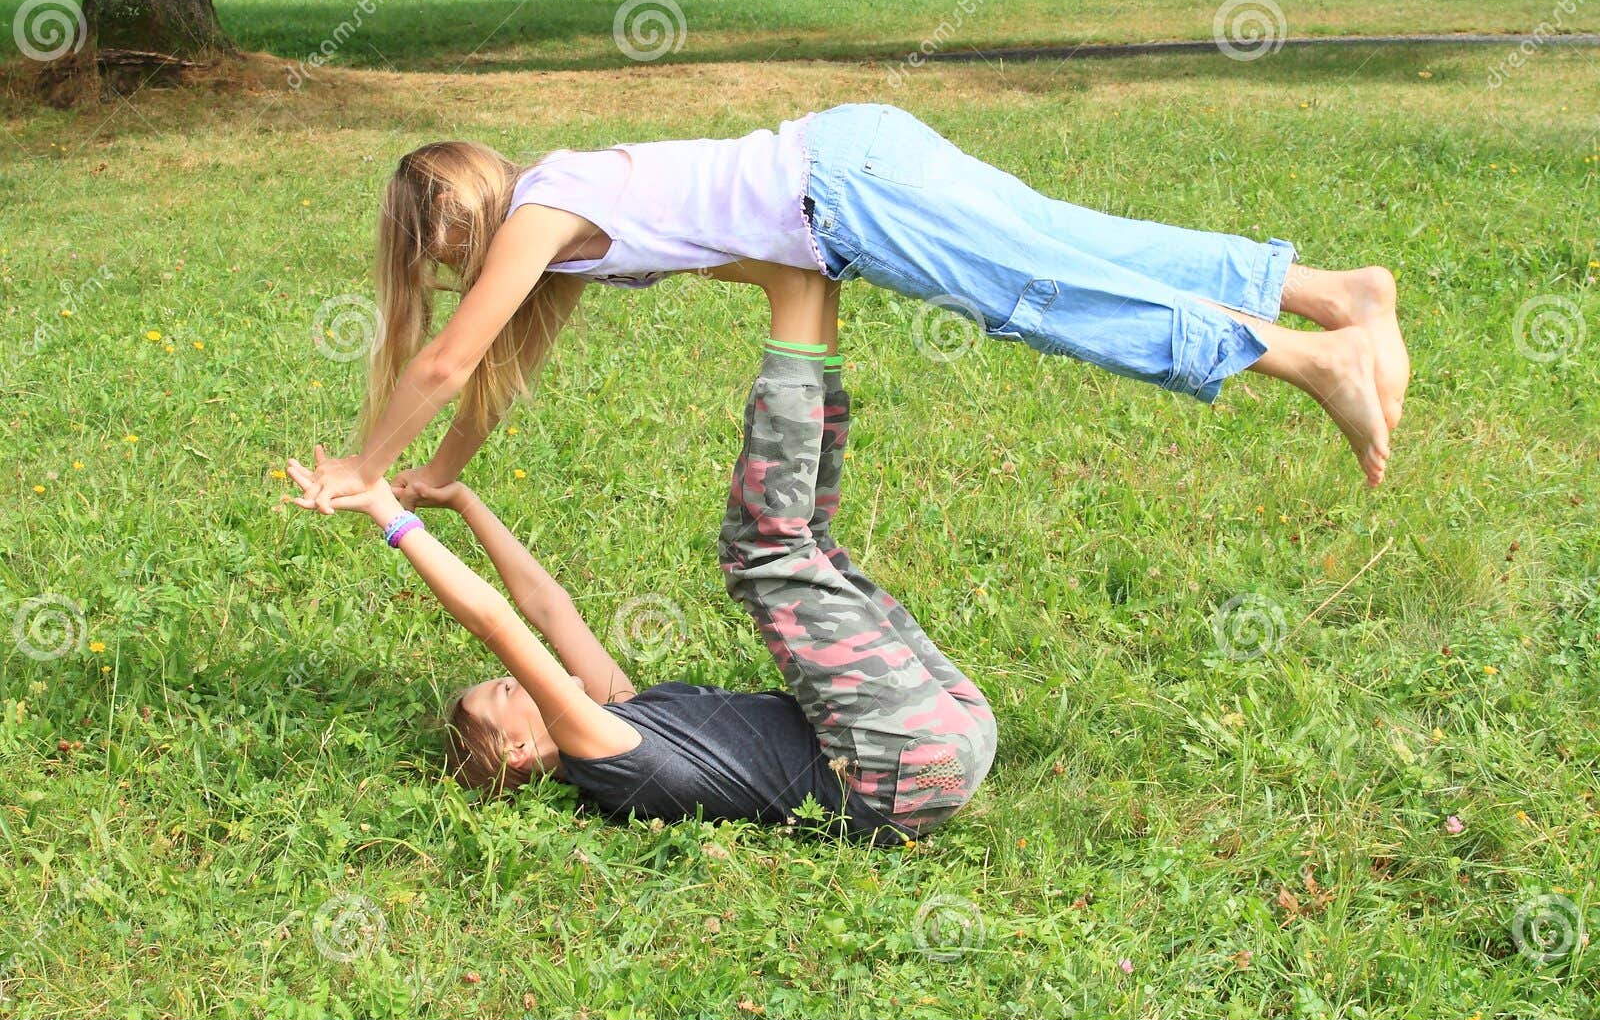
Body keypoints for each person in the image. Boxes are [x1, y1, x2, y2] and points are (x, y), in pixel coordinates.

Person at [295, 103, 1407, 518]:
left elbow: (449, 362)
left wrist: (360, 467)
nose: (444, 277)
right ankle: (1331, 296)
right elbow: (493, 383)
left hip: (848, 192)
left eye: (432, 251)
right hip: (854, 150)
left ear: (454, 211)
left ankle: (1313, 364)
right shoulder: (564, 228)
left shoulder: (541, 208)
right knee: (1069, 242)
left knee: (1044, 292)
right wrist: (437, 474)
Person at [283, 301, 995, 843]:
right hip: (900, 773)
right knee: (765, 552)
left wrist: (463, 501)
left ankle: (811, 318)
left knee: (812, 547)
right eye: (507, 687)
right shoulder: (609, 757)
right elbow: (497, 621)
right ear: (520, 751)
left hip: (950, 736)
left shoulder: (625, 717)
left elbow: (547, 607)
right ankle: (798, 313)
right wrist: (387, 515)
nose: (522, 674)